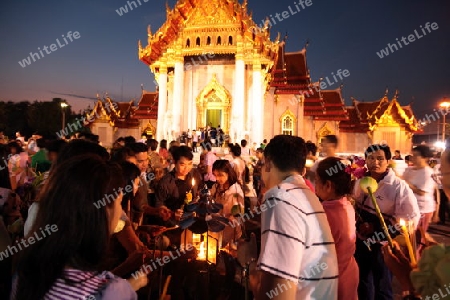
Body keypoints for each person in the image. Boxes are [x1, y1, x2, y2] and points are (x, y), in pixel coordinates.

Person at [11, 155, 147, 300]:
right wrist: (127, 288)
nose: (121, 212)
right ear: (103, 212)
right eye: (119, 202)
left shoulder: (24, 274)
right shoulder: (111, 291)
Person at [251, 135, 338, 299]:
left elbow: (277, 295)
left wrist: (248, 265)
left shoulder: (279, 196)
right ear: (303, 170)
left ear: (268, 163)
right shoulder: (307, 195)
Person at [353, 144, 421, 300]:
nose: (375, 163)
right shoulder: (360, 181)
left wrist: (376, 229)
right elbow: (355, 205)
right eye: (370, 158)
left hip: (384, 247)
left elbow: (411, 218)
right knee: (362, 282)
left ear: (388, 160)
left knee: (382, 287)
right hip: (361, 242)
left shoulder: (398, 187)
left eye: (380, 158)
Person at [315, 157, 359, 300]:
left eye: (316, 181)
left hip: (331, 278)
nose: (314, 185)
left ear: (327, 185)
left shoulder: (324, 214)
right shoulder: (347, 204)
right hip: (349, 271)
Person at [403, 145, 436, 233]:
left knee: (417, 237)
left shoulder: (428, 172)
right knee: (406, 235)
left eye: (416, 155)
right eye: (412, 155)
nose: (412, 157)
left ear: (425, 157)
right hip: (408, 207)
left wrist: (405, 182)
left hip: (422, 209)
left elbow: (421, 192)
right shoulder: (409, 170)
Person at [210, 159, 244, 246]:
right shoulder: (217, 186)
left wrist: (230, 218)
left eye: (220, 175)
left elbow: (238, 214)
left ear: (228, 173)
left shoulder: (235, 191)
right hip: (217, 229)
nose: (217, 178)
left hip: (230, 232)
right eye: (215, 175)